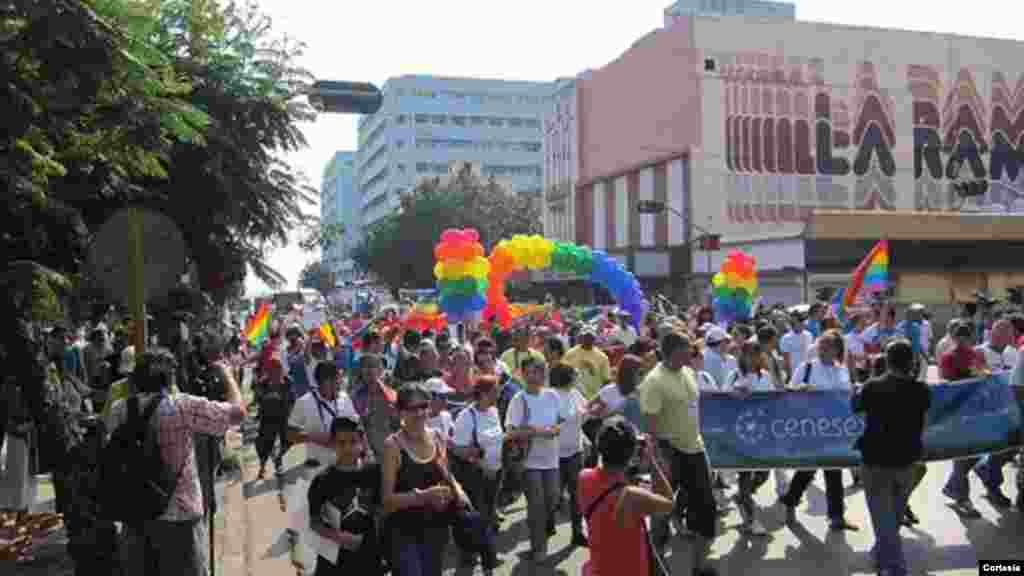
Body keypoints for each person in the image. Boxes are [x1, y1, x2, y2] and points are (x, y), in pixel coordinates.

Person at [106, 348, 246, 576]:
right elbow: (237, 413)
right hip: (180, 518)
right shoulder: (182, 406)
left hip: (135, 516)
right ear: (170, 378)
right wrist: (228, 375)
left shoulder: (119, 409)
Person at [640, 332, 719, 576]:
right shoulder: (654, 381)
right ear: (673, 352)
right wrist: (655, 459)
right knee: (662, 509)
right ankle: (656, 564)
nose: (692, 353)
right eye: (687, 350)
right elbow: (650, 427)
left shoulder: (687, 371)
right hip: (668, 451)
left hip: (695, 448)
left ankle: (699, 566)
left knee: (706, 508)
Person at [852, 339, 930, 576]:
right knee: (893, 516)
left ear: (887, 360)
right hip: (907, 461)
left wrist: (857, 389)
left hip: (876, 462)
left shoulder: (872, 387)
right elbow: (923, 425)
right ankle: (881, 554)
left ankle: (895, 568)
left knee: (883, 518)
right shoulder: (922, 390)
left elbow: (855, 407)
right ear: (910, 362)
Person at [380, 383, 470, 576]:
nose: (420, 413)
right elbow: (387, 500)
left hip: (435, 528)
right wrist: (424, 496)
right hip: (403, 532)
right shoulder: (392, 446)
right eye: (413, 408)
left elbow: (446, 474)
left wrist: (458, 492)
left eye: (424, 406)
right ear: (400, 412)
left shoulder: (437, 436)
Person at [779, 329, 858, 531]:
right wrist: (800, 391)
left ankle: (836, 517)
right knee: (807, 469)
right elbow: (788, 391)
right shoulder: (805, 368)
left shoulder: (841, 370)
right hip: (811, 427)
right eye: (821, 345)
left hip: (833, 428)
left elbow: (845, 395)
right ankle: (790, 500)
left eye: (827, 347)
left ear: (837, 350)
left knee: (834, 471)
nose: (822, 350)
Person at [578, 417, 674, 576]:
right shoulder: (631, 495)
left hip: (599, 569)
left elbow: (605, 474)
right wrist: (652, 459)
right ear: (632, 453)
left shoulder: (584, 477)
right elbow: (669, 503)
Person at [307, 416, 384, 575]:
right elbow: (314, 523)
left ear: (362, 442)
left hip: (369, 559)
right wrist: (340, 537)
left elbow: (381, 509)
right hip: (333, 563)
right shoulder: (322, 481)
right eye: (341, 443)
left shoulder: (374, 472)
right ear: (333, 444)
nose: (348, 448)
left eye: (353, 441)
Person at [504, 355, 562, 564]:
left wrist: (555, 429)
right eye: (528, 372)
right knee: (536, 505)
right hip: (529, 461)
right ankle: (539, 547)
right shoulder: (518, 400)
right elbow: (510, 432)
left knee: (552, 500)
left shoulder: (552, 396)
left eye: (536, 371)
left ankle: (540, 536)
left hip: (551, 458)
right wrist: (536, 431)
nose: (532, 376)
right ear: (522, 374)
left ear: (543, 373)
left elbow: (559, 422)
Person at [450, 376, 504, 571]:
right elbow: (457, 449)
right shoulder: (467, 416)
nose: (497, 395)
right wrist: (477, 456)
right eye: (494, 391)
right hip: (475, 475)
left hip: (495, 472)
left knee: (487, 515)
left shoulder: (494, 412)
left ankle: (471, 554)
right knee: (479, 517)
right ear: (482, 393)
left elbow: (498, 439)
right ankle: (486, 558)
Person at [549, 363, 588, 547]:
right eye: (575, 374)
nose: (577, 377)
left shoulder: (575, 394)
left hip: (575, 452)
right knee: (553, 495)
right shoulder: (550, 396)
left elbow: (585, 414)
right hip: (553, 454)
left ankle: (577, 532)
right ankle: (547, 523)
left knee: (576, 494)